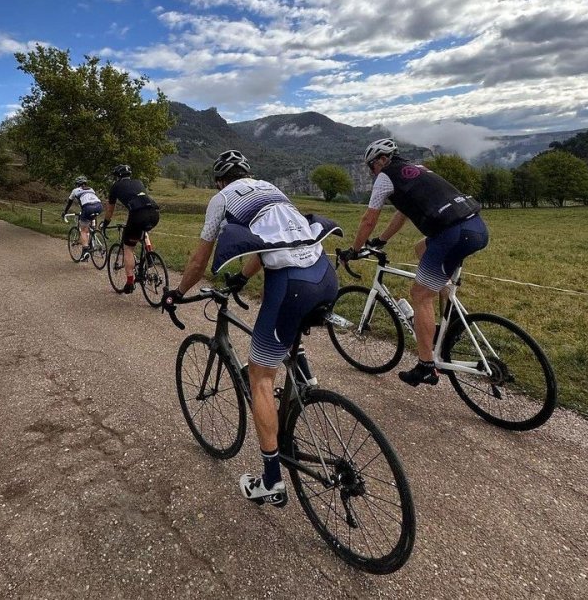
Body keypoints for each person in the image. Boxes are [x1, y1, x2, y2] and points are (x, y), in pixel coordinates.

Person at [161, 150, 340, 507]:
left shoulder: (222, 198)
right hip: (324, 275)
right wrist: (241, 278)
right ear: (249, 173)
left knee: (260, 376)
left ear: (219, 181)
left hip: (290, 283)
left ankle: (271, 481)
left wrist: (178, 293)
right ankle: (304, 384)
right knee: (283, 337)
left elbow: (199, 259)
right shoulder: (272, 190)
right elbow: (267, 243)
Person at [340, 138, 488, 386]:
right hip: (476, 227)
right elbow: (402, 214)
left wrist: (355, 250)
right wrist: (381, 240)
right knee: (421, 249)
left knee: (419, 294)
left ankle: (426, 366)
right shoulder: (418, 170)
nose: (371, 172)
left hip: (452, 234)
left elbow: (368, 219)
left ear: (382, 160)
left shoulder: (386, 177)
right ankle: (450, 317)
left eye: (371, 166)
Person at [101, 164, 160, 294]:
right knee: (143, 231)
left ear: (117, 176)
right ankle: (149, 255)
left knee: (128, 247)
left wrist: (105, 224)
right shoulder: (138, 181)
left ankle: (129, 282)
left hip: (138, 214)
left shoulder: (115, 187)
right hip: (154, 212)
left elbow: (110, 209)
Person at [62, 176, 103, 262]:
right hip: (99, 206)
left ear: (77, 184)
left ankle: (85, 251)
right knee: (91, 220)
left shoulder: (75, 191)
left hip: (88, 208)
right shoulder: (91, 189)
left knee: (83, 230)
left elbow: (70, 203)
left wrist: (64, 212)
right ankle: (94, 235)